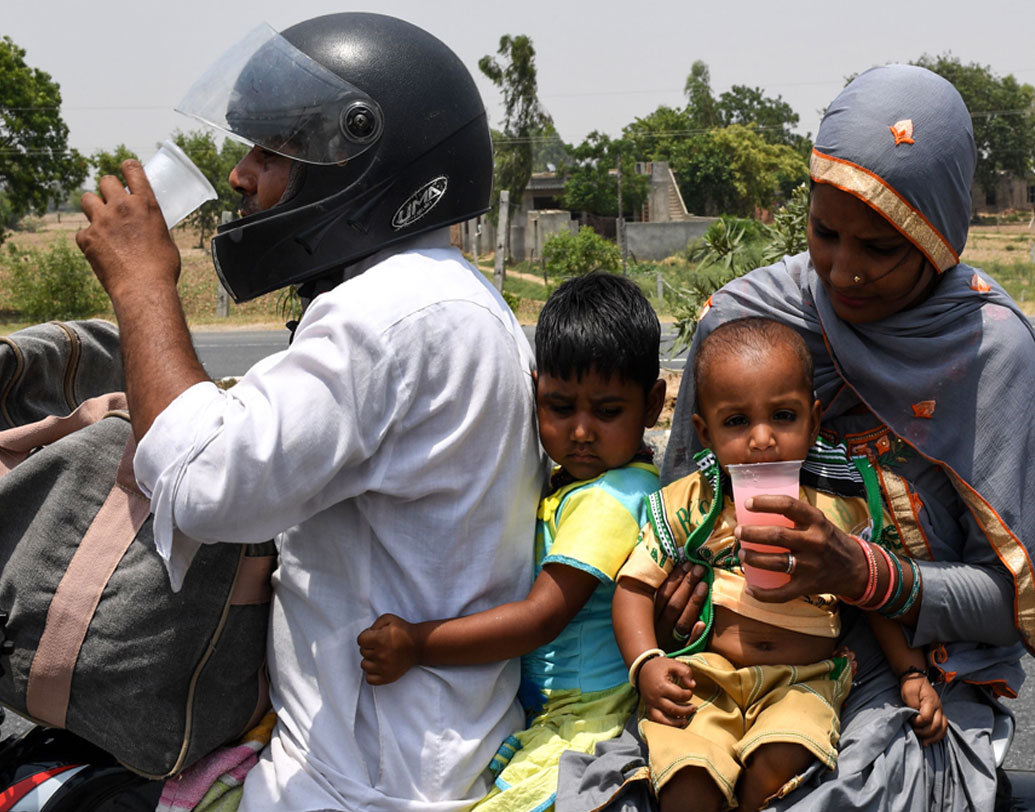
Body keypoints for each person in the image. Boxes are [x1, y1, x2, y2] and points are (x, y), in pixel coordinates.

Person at [75, 13, 545, 812]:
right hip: (403, 751)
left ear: (356, 162)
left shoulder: (389, 314)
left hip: (357, 780)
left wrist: (143, 285)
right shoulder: (446, 298)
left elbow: (204, 484)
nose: (240, 177)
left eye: (272, 152)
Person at [557, 64, 1035, 812]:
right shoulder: (748, 320)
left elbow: (1009, 599)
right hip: (722, 652)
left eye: (880, 248)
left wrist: (866, 574)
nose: (842, 273)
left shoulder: (986, 348)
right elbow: (686, 515)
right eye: (823, 232)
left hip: (906, 663)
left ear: (937, 235)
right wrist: (680, 602)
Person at [358, 271, 666, 812]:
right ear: (533, 390)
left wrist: (417, 643)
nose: (581, 432)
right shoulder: (577, 484)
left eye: (608, 410)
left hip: (586, 719)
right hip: (561, 714)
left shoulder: (613, 496)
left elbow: (540, 619)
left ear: (653, 404)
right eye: (560, 406)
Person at [612, 317, 945, 812]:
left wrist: (911, 673)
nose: (762, 439)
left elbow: (871, 597)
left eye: (783, 417)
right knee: (686, 782)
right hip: (704, 675)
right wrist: (647, 664)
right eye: (737, 422)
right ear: (704, 432)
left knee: (781, 756)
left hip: (803, 678)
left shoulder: (838, 510)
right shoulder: (694, 504)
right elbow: (634, 587)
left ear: (812, 422)